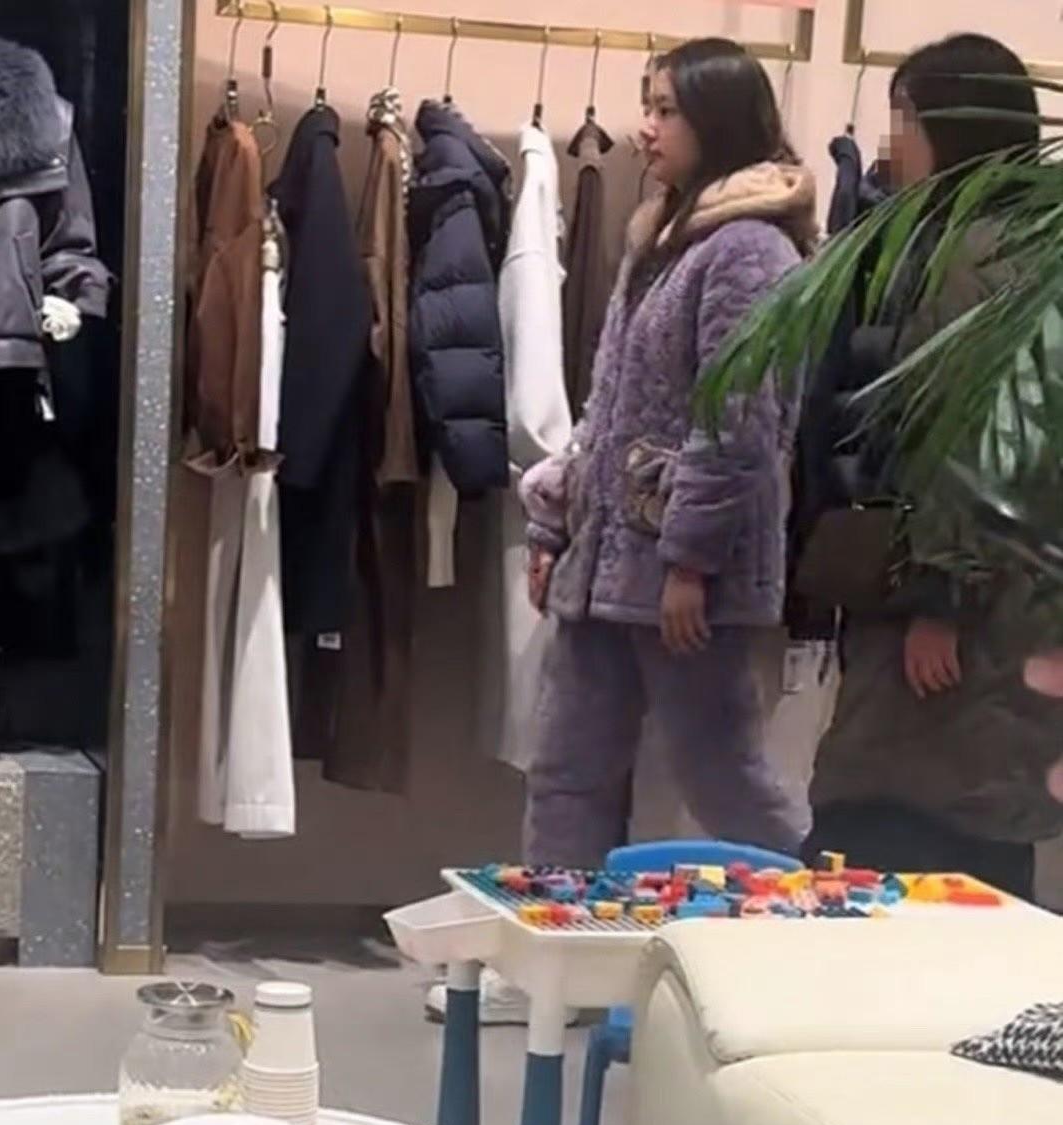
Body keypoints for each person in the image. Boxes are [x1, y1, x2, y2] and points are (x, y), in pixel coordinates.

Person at [425, 37, 817, 1024]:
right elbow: (609, 412)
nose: (645, 127)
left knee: (723, 773)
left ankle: (815, 940)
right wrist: (554, 523)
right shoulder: (665, 235)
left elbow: (740, 420)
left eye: (666, 109)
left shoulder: (751, 250)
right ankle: (555, 965)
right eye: (647, 104)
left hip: (684, 575)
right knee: (570, 768)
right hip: (608, 561)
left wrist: (690, 558)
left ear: (717, 119)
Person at [803, 33, 1063, 900]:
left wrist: (939, 597)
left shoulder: (974, 258)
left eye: (904, 119)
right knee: (978, 835)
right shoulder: (1025, 243)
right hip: (1015, 599)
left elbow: (977, 440)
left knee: (894, 839)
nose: (892, 147)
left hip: (961, 608)